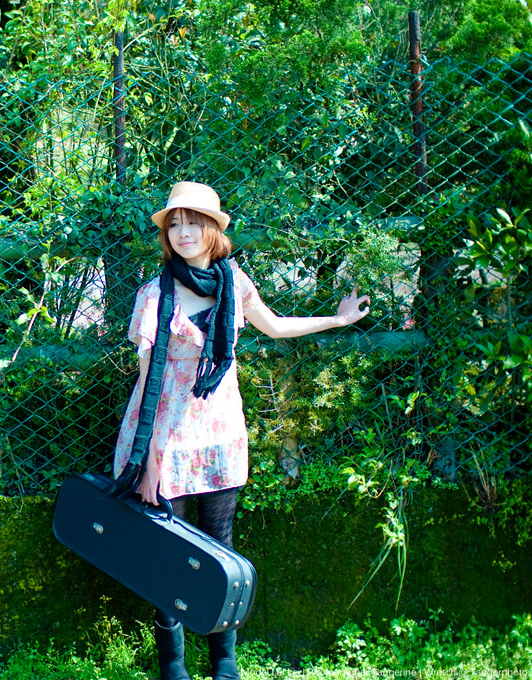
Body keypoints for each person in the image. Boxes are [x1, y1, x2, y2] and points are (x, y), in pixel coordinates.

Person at [112, 182, 370, 680]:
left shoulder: (233, 281)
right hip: (165, 441)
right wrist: (151, 458)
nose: (183, 232)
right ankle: (173, 667)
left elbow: (274, 326)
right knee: (168, 551)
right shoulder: (154, 295)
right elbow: (149, 384)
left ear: (213, 229)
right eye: (175, 223)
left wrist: (337, 321)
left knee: (220, 546)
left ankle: (224, 662)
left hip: (220, 435)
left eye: (194, 222)